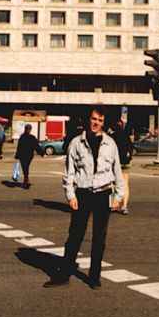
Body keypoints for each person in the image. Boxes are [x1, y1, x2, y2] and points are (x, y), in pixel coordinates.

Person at [45, 106, 124, 290]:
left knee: (99, 238)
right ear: (89, 119)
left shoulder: (110, 144)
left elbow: (117, 171)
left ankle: (94, 277)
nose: (96, 123)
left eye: (100, 121)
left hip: (103, 193)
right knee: (75, 236)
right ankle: (64, 274)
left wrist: (118, 196)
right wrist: (70, 195)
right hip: (83, 194)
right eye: (94, 119)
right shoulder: (76, 143)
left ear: (104, 123)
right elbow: (69, 172)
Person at [110, 119, 133, 215]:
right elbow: (131, 147)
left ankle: (113, 204)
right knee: (125, 184)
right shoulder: (126, 135)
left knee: (112, 184)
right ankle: (124, 206)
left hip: (116, 163)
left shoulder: (112, 137)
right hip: (126, 162)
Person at [14, 124, 43, 189]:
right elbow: (36, 146)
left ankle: (26, 180)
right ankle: (26, 179)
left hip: (23, 155)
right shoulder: (32, 137)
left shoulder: (22, 137)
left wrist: (17, 155)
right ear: (30, 130)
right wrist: (41, 153)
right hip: (29, 155)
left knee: (25, 167)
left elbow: (19, 147)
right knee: (26, 167)